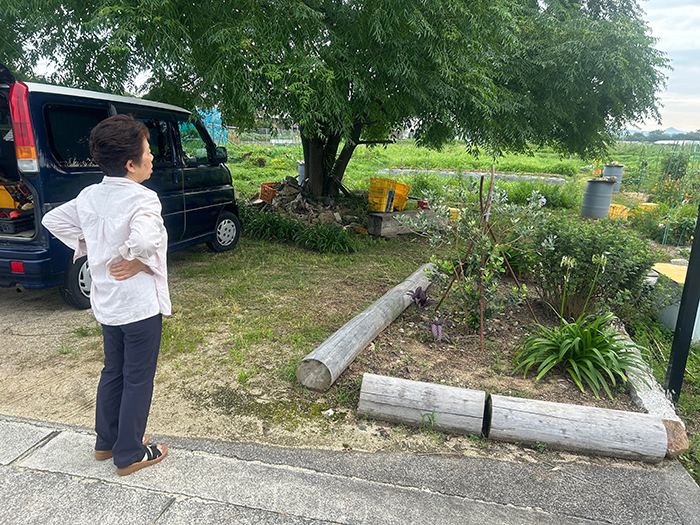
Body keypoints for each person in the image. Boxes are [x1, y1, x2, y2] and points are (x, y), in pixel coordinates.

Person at [42, 114, 170, 476]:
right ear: (130, 163)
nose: (151, 157)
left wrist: (92, 245)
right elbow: (144, 240)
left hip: (108, 303)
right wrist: (133, 258)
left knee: (114, 370)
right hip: (139, 306)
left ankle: (106, 441)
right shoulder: (144, 199)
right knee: (138, 377)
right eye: (147, 151)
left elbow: (53, 220)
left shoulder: (89, 196)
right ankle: (129, 452)